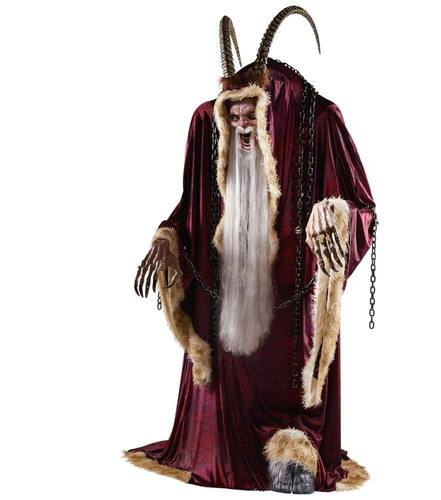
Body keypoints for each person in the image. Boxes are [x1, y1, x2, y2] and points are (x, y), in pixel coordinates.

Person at [125, 6, 377, 494]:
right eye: (233, 113)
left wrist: (334, 215)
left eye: (250, 113)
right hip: (228, 301)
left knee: (293, 394)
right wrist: (167, 239)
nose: (241, 125)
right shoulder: (207, 124)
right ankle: (225, 444)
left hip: (289, 310)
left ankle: (294, 449)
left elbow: (362, 205)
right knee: (223, 369)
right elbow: (191, 207)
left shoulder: (319, 121)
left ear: (270, 111)